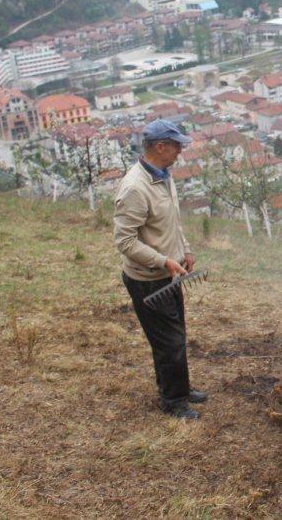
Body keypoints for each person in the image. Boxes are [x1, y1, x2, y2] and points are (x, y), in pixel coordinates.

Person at [113, 119, 206, 419]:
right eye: (176, 145)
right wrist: (162, 260)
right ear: (160, 146)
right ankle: (173, 401)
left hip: (169, 273)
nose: (180, 150)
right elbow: (125, 242)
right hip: (148, 281)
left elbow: (171, 223)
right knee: (169, 341)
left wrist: (184, 250)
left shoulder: (164, 176)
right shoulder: (135, 188)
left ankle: (179, 386)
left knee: (175, 335)